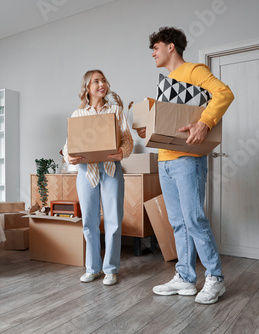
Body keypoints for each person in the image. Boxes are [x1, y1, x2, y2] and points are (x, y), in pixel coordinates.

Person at [138, 27, 234, 304]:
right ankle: (186, 278)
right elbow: (171, 123)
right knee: (178, 223)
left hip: (187, 160)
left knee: (194, 219)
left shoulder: (194, 71)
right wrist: (151, 130)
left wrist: (205, 123)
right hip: (165, 161)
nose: (153, 54)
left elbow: (224, 93)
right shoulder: (167, 82)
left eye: (155, 48)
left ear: (170, 46)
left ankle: (215, 278)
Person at [63, 69, 133, 286]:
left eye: (103, 80)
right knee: (89, 222)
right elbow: (67, 146)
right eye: (96, 81)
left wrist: (122, 152)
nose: (101, 84)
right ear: (87, 87)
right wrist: (68, 157)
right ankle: (92, 268)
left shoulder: (116, 111)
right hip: (86, 172)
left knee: (113, 221)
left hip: (111, 169)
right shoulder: (77, 115)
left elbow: (127, 140)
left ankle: (110, 269)